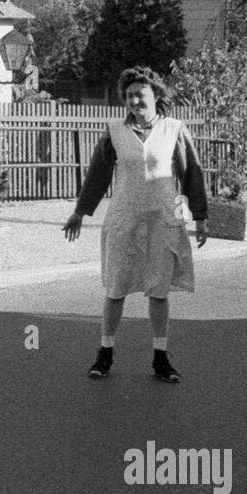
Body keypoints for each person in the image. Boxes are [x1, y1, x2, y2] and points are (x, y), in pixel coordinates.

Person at [62, 66, 208, 383]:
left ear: (155, 95)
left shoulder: (174, 130)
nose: (133, 101)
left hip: (162, 222)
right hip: (124, 220)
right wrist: (80, 211)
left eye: (139, 94)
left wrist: (200, 216)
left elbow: (191, 173)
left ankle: (160, 357)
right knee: (116, 289)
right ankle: (105, 353)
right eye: (128, 96)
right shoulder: (115, 132)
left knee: (158, 290)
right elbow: (97, 175)